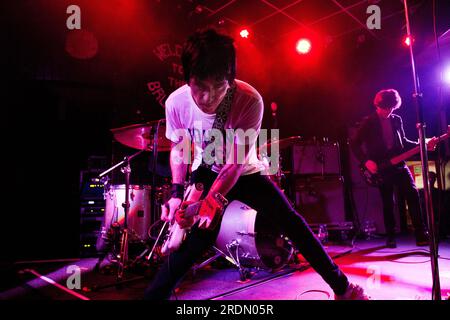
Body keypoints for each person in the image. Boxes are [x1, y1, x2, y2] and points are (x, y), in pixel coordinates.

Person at [144, 28, 369, 300]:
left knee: (293, 224)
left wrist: (210, 202)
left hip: (245, 172)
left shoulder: (249, 101)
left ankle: (343, 288)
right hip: (207, 169)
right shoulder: (176, 103)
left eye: (219, 86)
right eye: (201, 88)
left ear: (229, 79)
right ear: (187, 78)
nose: (209, 98)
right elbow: (180, 148)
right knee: (193, 244)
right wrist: (178, 194)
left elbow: (234, 166)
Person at [351, 89, 433, 248]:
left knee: (413, 193)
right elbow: (354, 143)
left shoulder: (396, 120)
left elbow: (403, 143)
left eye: (391, 108)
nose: (388, 111)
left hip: (399, 165)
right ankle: (390, 236)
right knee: (388, 201)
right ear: (378, 105)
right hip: (381, 167)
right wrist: (365, 161)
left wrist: (422, 143)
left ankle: (421, 234)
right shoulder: (369, 122)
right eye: (385, 108)